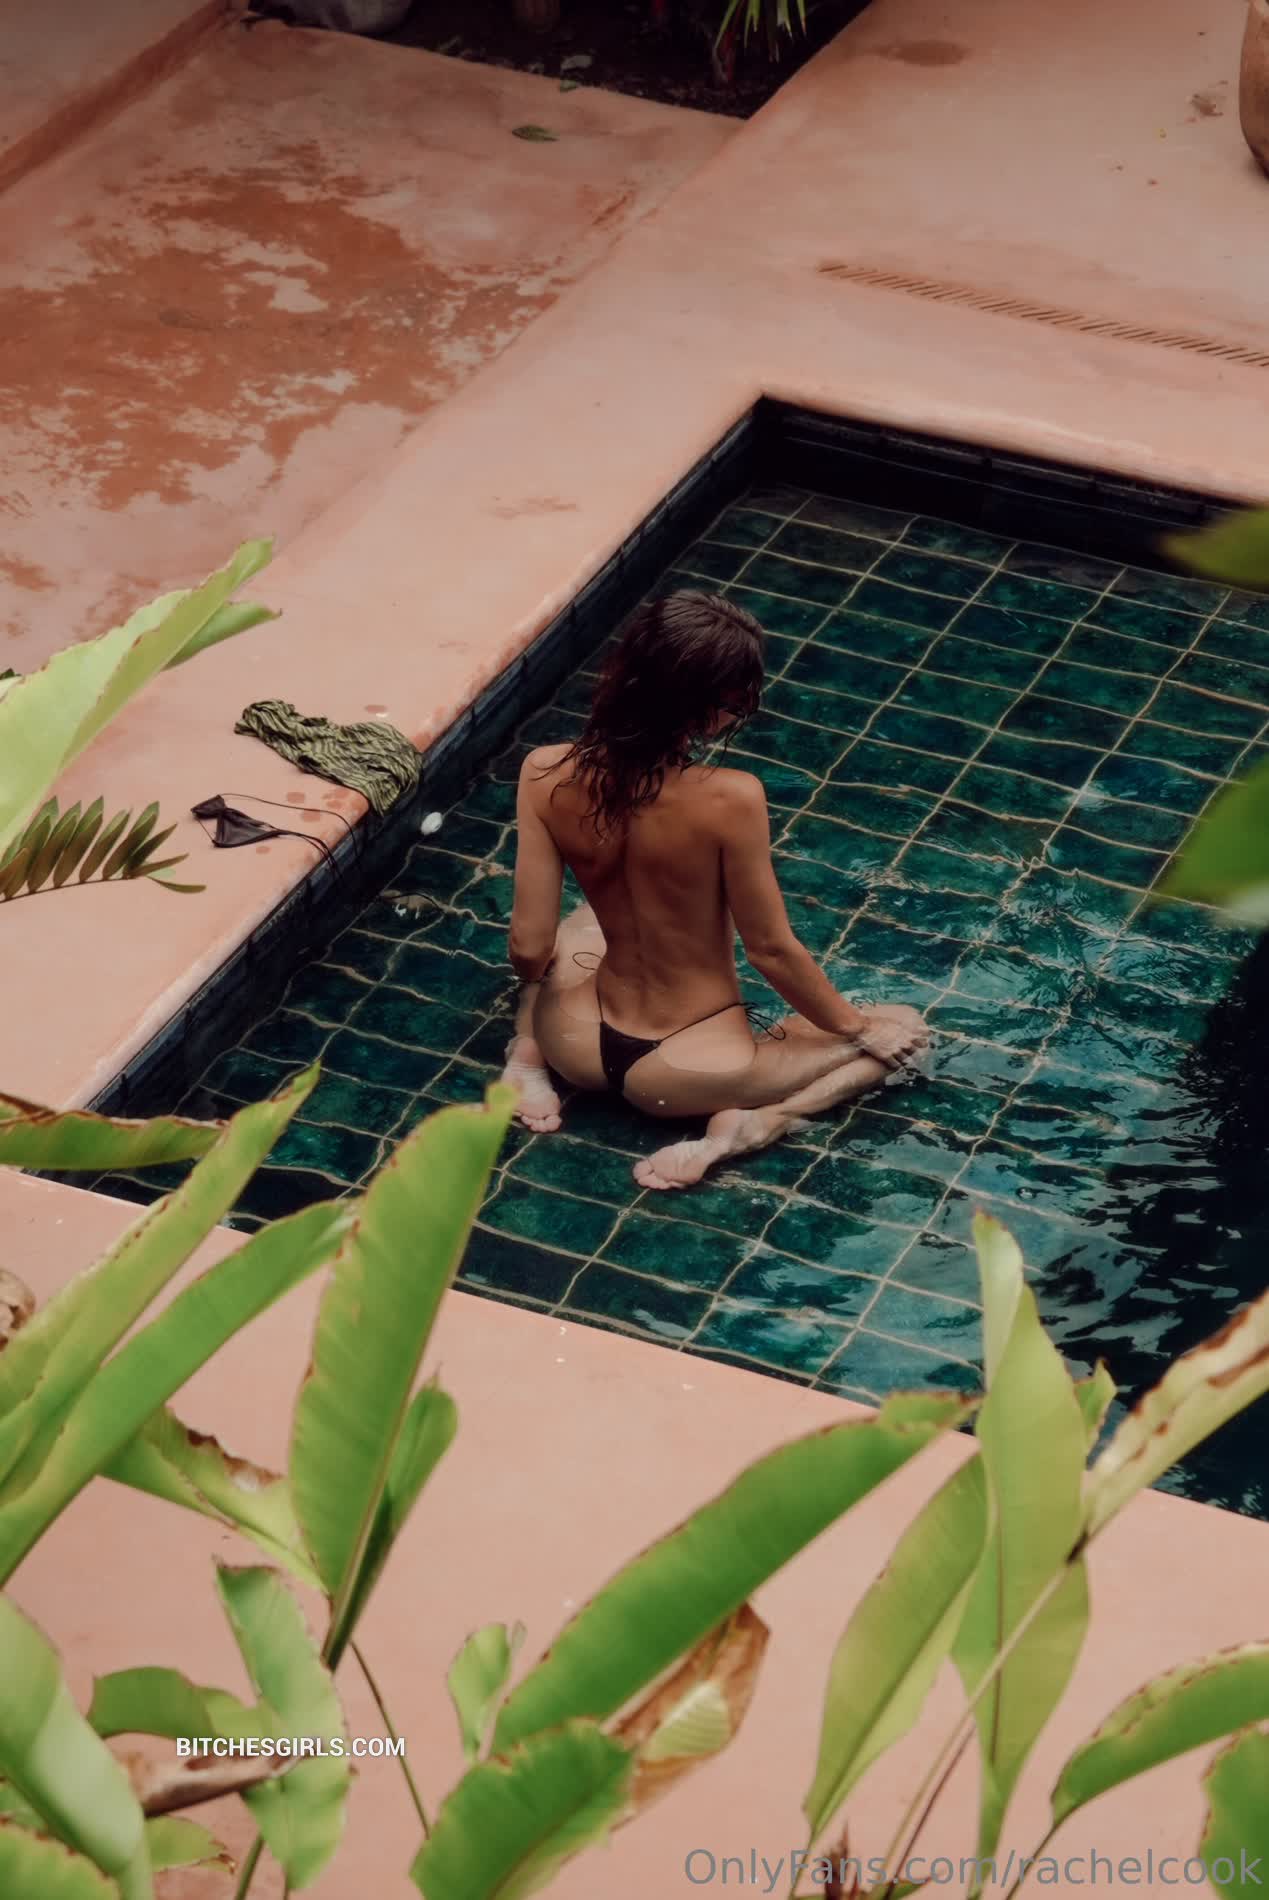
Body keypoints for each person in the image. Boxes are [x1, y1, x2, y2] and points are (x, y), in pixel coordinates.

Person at [498, 590, 930, 1190]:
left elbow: (527, 945)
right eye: (738, 702)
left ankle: (527, 1055)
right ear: (707, 709)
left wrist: (542, 1000)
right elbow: (770, 951)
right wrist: (860, 1027)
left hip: (575, 1041)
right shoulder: (732, 797)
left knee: (582, 923)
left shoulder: (544, 771)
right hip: (684, 1071)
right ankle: (758, 1126)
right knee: (905, 1029)